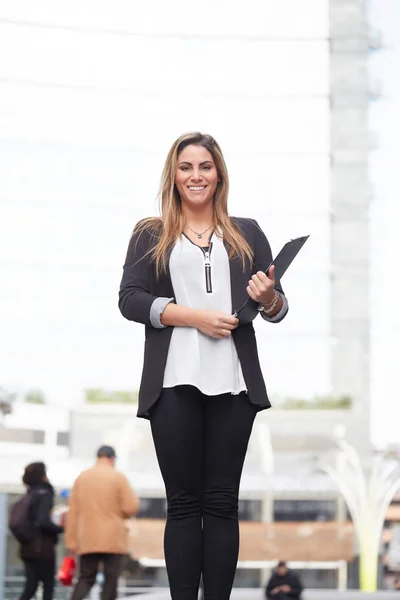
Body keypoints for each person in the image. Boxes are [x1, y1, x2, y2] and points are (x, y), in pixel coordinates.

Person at [118, 131, 289, 600]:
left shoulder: (247, 232)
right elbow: (130, 300)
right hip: (172, 381)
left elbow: (277, 308)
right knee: (183, 504)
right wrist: (194, 317)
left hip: (233, 383)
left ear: (219, 174)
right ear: (173, 176)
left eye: (205, 167)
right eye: (186, 167)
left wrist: (269, 297)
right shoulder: (150, 234)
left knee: (221, 503)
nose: (196, 175)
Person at [65, 445, 140, 600]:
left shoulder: (82, 478)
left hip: (87, 537)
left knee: (86, 577)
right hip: (112, 537)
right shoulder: (117, 477)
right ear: (112, 458)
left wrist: (71, 540)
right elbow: (131, 506)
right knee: (110, 580)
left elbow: (73, 512)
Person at [18, 462, 63, 600]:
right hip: (42, 548)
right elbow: (42, 521)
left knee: (30, 587)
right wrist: (59, 528)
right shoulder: (45, 493)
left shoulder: (29, 494)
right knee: (47, 587)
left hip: (27, 548)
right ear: (42, 476)